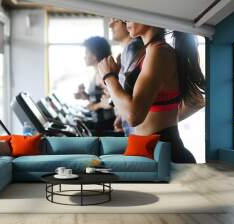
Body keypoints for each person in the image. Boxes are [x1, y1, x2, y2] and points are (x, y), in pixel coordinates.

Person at [98, 22, 205, 163]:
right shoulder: (149, 52)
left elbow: (133, 116)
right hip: (151, 148)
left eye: (131, 15)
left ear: (147, 16)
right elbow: (138, 109)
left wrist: (109, 77)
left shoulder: (159, 52)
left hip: (163, 153)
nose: (125, 20)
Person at [74, 36, 116, 136]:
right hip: (100, 122)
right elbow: (101, 96)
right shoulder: (98, 72)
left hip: (106, 124)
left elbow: (112, 101)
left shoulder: (103, 74)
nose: (84, 56)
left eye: (86, 53)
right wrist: (86, 96)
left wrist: (94, 106)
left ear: (95, 55)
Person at [108, 18, 144, 135]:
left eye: (115, 19)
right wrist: (121, 114)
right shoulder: (128, 50)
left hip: (137, 128)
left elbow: (130, 94)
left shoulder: (132, 48)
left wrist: (108, 76)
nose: (110, 24)